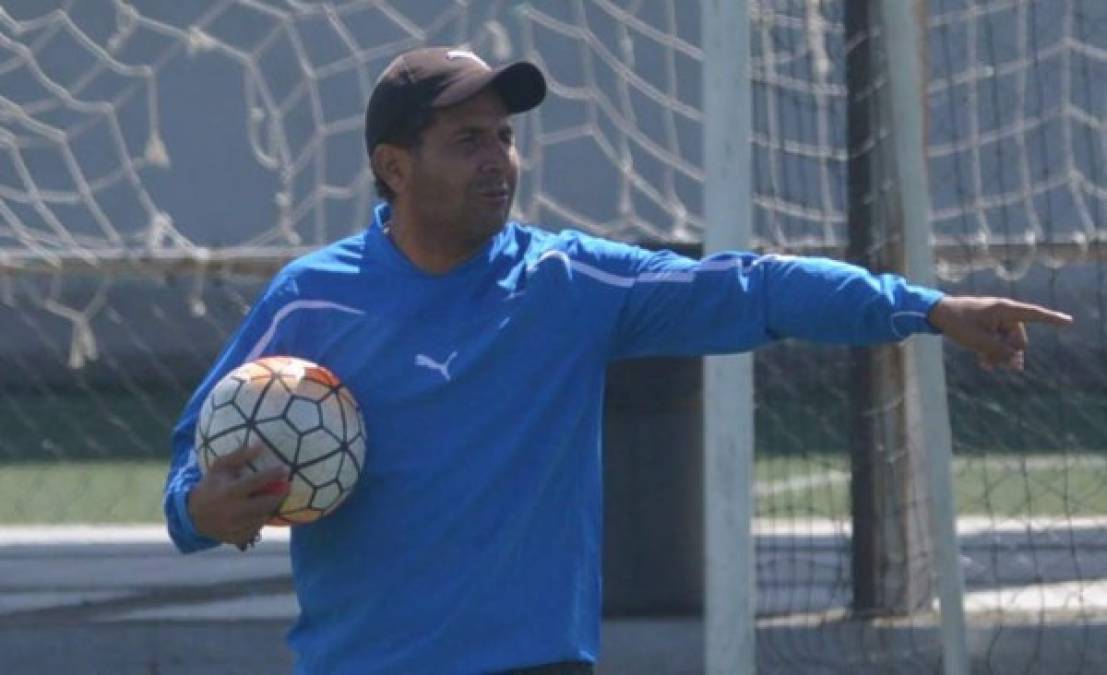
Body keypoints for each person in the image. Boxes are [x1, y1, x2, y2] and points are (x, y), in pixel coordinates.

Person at [163, 47, 1073, 674]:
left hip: (536, 661)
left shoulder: (568, 281)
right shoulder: (310, 299)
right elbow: (188, 475)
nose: (500, 160)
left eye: (506, 137)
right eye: (468, 140)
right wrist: (204, 507)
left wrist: (926, 307)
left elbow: (752, 288)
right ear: (394, 168)